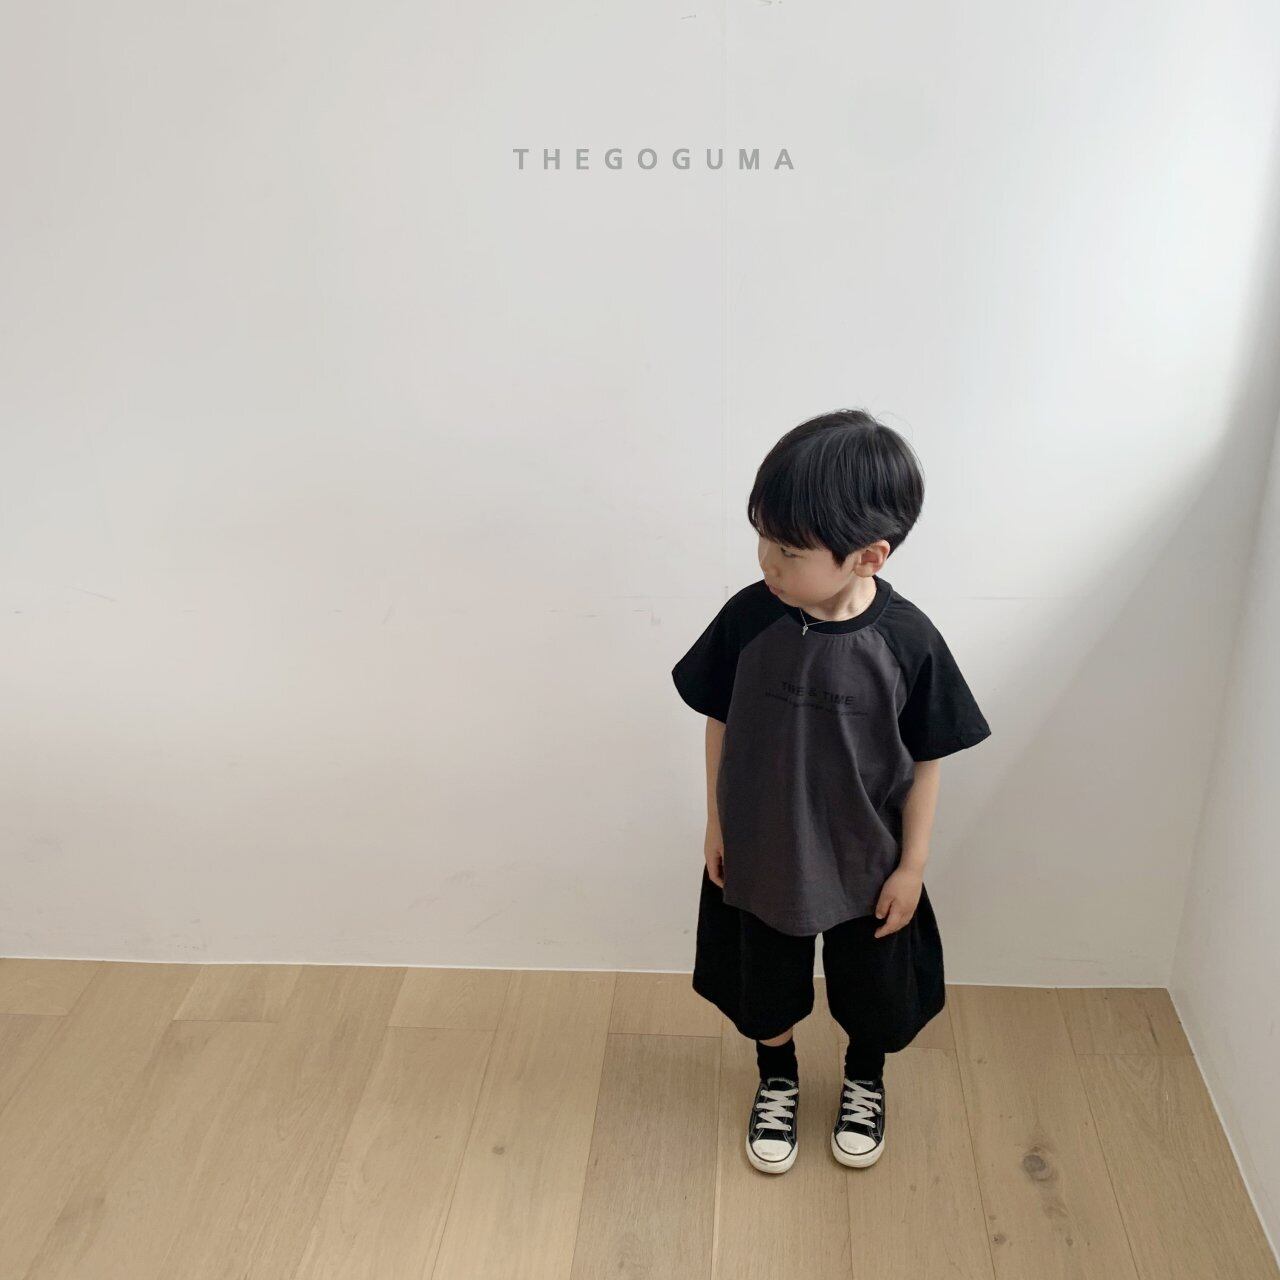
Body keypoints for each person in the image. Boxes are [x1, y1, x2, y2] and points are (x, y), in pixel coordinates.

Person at [671, 408, 992, 1175]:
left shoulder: (907, 641)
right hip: (763, 850)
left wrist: (912, 866)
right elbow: (720, 719)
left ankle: (864, 1078)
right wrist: (717, 823)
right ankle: (776, 1076)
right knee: (763, 985)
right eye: (762, 539)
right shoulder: (750, 619)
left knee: (874, 992)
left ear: (868, 556)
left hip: (866, 860)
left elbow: (927, 759)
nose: (767, 563)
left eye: (789, 550)